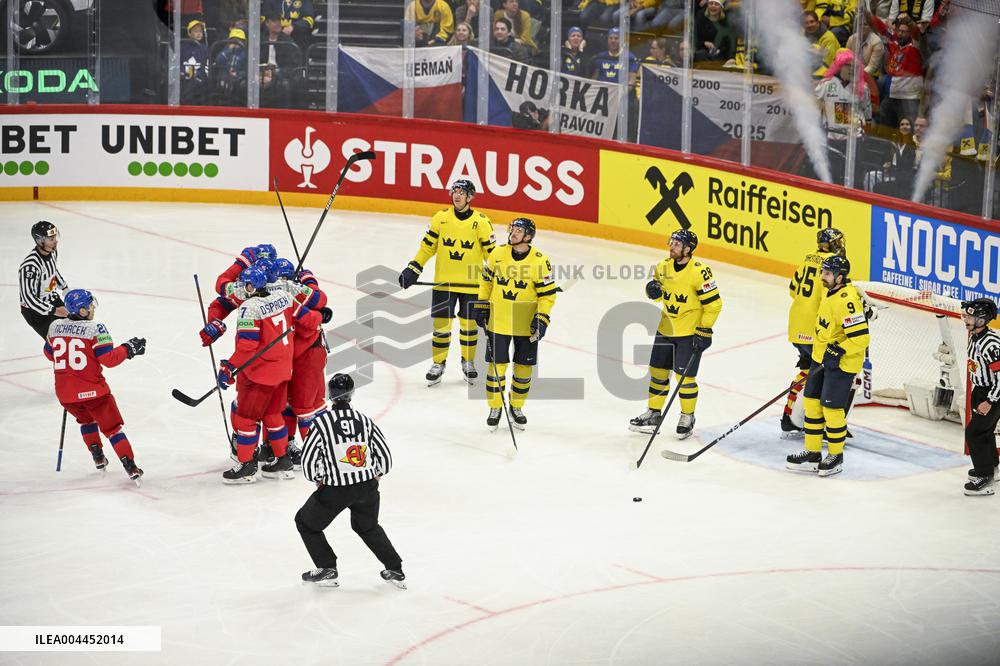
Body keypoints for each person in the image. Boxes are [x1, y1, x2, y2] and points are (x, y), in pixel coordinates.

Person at [296, 373, 405, 589]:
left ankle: (327, 567)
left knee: (306, 523)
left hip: (335, 490)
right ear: (352, 394)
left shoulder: (322, 423)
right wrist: (375, 476)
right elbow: (384, 458)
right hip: (367, 488)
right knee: (367, 527)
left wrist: (318, 480)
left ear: (331, 396)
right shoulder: (365, 421)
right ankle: (395, 568)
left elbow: (308, 460)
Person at [398, 180, 496, 386]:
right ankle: (438, 363)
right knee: (441, 325)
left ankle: (468, 362)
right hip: (444, 284)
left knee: (469, 326)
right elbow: (427, 247)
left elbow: (493, 255)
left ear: (470, 197)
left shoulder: (482, 222)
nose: (457, 196)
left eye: (462, 192)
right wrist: (413, 268)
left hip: (472, 286)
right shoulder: (440, 218)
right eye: (455, 192)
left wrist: (500, 276)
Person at [43, 289, 146, 484]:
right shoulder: (95, 328)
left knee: (86, 421)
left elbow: (50, 354)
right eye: (90, 305)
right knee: (113, 429)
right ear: (81, 310)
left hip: (66, 396)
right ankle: (130, 466)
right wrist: (128, 349)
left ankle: (98, 456)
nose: (93, 308)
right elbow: (108, 359)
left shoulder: (54, 326)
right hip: (95, 394)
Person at [630, 230, 723, 439]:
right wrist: (653, 291)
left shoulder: (700, 272)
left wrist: (704, 329)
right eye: (671, 242)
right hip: (665, 329)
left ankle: (687, 416)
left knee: (685, 378)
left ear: (688, 249)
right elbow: (659, 292)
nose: (671, 246)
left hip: (689, 333)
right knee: (658, 372)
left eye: (676, 244)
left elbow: (714, 305)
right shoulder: (663, 266)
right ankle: (654, 414)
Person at [217, 265, 304, 484]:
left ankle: (246, 466)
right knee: (273, 415)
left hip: (260, 375)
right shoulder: (283, 297)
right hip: (283, 370)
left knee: (246, 419)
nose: (243, 288)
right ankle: (283, 460)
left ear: (254, 286)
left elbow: (247, 347)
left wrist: (229, 367)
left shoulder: (250, 308)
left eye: (246, 284)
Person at [786, 256, 869, 477]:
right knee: (812, 404)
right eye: (823, 272)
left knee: (832, 410)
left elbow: (861, 339)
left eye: (827, 273)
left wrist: (838, 350)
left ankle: (835, 456)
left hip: (841, 364)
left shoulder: (847, 300)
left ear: (840, 277)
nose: (822, 277)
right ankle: (813, 453)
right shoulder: (828, 292)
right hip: (820, 358)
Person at [475, 217, 557, 430]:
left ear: (528, 236)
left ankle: (516, 406)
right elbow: (486, 282)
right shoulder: (497, 254)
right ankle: (495, 407)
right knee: (496, 368)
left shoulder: (540, 261)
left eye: (519, 230)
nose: (513, 232)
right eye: (513, 228)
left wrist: (542, 319)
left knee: (523, 369)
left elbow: (547, 296)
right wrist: (481, 306)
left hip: (525, 324)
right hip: (498, 320)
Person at [781, 228, 846, 435]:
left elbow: (793, 290)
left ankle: (790, 417)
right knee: (826, 375)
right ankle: (817, 422)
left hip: (796, 324)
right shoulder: (831, 266)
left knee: (809, 370)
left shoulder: (807, 259)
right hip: (815, 330)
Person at [962, 298, 1000, 496]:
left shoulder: (990, 344)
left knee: (974, 433)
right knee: (985, 431)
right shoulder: (975, 335)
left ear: (982, 319)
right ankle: (992, 466)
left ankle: (985, 478)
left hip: (992, 393)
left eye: (970, 316)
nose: (965, 319)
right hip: (981, 390)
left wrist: (990, 400)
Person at [19, 221, 68, 340]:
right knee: (59, 342)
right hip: (35, 311)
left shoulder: (52, 251)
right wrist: (54, 310)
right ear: (40, 241)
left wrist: (65, 288)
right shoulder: (30, 266)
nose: (55, 241)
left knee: (75, 328)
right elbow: (28, 298)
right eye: (51, 239)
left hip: (52, 299)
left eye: (55, 237)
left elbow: (53, 271)